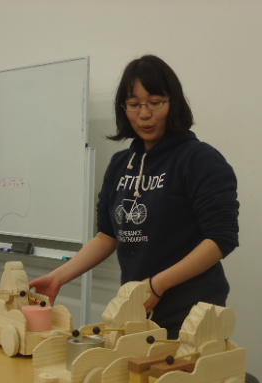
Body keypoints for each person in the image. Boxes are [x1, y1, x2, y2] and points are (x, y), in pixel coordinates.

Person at [30, 54, 239, 338]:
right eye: (134, 104)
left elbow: (220, 239)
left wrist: (157, 286)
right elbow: (107, 236)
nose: (144, 114)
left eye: (155, 102)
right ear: (124, 108)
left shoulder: (200, 160)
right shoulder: (120, 164)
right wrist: (58, 277)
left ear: (173, 103)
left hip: (192, 312)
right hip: (137, 308)